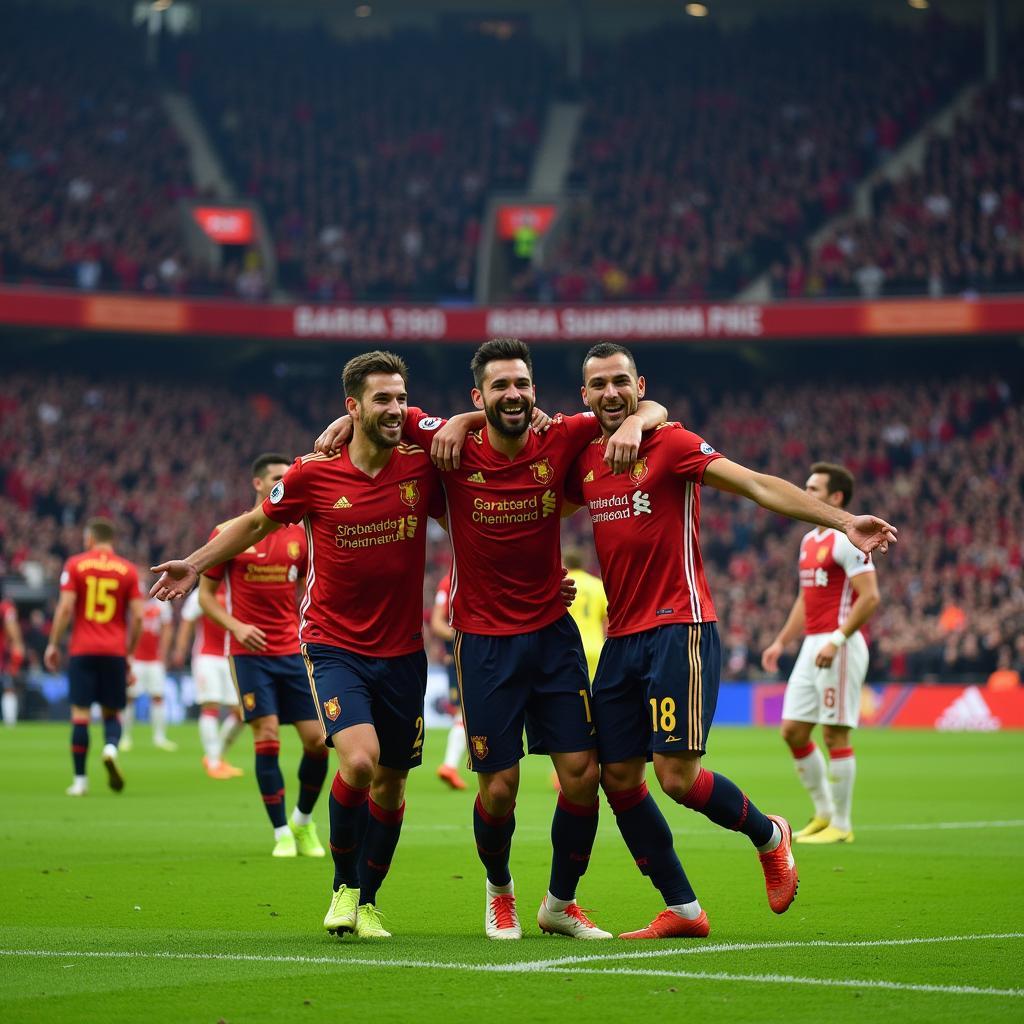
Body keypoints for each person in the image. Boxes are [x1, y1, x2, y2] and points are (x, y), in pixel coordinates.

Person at [318, 338, 668, 940]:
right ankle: (500, 890)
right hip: (483, 641)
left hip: (553, 638)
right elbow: (381, 417)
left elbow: (647, 404)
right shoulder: (445, 440)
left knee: (583, 776)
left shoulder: (560, 434)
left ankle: (560, 902)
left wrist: (638, 418)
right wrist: (345, 423)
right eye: (500, 387)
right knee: (500, 790)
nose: (515, 395)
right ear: (478, 396)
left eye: (523, 385)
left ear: (536, 392)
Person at [564, 343, 897, 938]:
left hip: (679, 627)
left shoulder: (672, 443)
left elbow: (758, 485)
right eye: (599, 385)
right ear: (584, 395)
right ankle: (685, 910)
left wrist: (844, 521)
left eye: (621, 382)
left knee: (675, 776)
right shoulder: (585, 458)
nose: (611, 393)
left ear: (640, 385)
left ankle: (770, 835)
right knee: (616, 777)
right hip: (621, 637)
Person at [152, 353, 446, 940]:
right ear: (352, 407)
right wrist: (195, 561)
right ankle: (343, 886)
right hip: (333, 644)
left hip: (405, 650)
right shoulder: (313, 473)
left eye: (400, 398)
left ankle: (368, 901)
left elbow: (479, 435)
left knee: (391, 782)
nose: (394, 409)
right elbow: (255, 523)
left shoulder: (422, 463)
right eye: (380, 399)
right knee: (358, 762)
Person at [153, 453, 329, 860]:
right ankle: (282, 831)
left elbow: (311, 587)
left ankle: (303, 821)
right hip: (249, 655)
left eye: (288, 477)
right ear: (257, 484)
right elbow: (208, 598)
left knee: (318, 743)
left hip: (292, 650)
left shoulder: (299, 537)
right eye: (275, 478)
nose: (282, 483)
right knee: (266, 736)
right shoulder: (229, 533)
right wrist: (236, 627)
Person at [760, 462, 882, 845]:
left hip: (840, 644)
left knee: (834, 734)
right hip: (813, 642)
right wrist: (781, 640)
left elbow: (871, 597)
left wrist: (838, 639)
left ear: (836, 498)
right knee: (793, 731)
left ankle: (842, 824)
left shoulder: (847, 540)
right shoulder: (810, 541)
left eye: (813, 488)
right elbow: (804, 598)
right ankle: (824, 813)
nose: (805, 493)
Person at [44, 518, 144, 796]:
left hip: (82, 650)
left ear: (89, 539)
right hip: (114, 651)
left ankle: (80, 781)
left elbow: (65, 609)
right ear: (112, 541)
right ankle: (111, 748)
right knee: (112, 712)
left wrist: (53, 644)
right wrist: (130, 653)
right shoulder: (128, 570)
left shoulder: (75, 564)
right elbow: (138, 616)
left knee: (80, 716)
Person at [173, 585, 244, 779]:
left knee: (241, 713)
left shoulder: (238, 591)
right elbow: (187, 621)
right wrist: (180, 650)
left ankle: (216, 756)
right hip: (207, 657)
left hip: (232, 657)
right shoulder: (202, 593)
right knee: (210, 706)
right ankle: (213, 762)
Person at [122, 594, 177, 752]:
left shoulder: (162, 605)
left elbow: (167, 629)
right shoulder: (132, 603)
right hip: (136, 659)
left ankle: (159, 737)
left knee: (158, 696)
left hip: (155, 659)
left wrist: (164, 655)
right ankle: (125, 737)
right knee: (130, 697)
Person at [430, 568, 468, 791]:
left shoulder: (453, 579)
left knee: (467, 711)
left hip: (465, 656)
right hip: (462, 658)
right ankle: (450, 765)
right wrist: (466, 638)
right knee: (466, 711)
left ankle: (452, 765)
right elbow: (437, 622)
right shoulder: (449, 581)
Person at [563, 548, 608, 682]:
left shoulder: (563, 587)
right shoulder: (597, 584)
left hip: (570, 649)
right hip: (596, 649)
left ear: (565, 564)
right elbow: (607, 620)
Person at [1, 593, 26, 726]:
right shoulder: (6, 607)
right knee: (8, 686)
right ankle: (10, 722)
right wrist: (18, 644)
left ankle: (9, 721)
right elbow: (11, 626)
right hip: (2, 654)